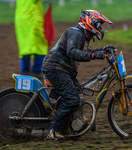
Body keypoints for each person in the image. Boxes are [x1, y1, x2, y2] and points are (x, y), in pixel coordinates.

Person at [42, 10, 113, 139]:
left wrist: (102, 50)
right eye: (99, 24)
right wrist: (93, 55)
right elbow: (72, 52)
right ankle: (54, 130)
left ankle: (69, 126)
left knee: (78, 96)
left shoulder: (82, 35)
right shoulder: (75, 33)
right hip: (56, 69)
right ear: (90, 22)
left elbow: (85, 50)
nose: (100, 28)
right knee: (72, 98)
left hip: (64, 70)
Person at [15, 0, 48, 75]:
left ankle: (25, 70)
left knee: (25, 46)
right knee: (40, 46)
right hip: (32, 19)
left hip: (21, 19)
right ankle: (37, 70)